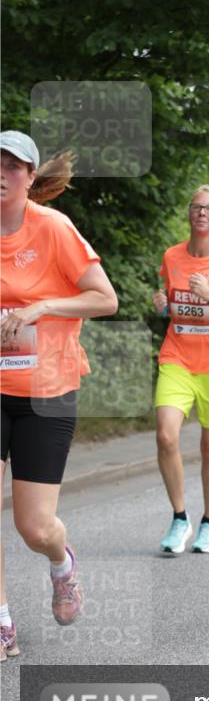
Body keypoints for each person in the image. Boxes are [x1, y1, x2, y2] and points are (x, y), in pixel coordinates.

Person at [0, 130, 118, 661]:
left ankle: (62, 564)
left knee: (34, 525)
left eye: (12, 166)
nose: (2, 174)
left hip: (46, 392)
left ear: (30, 176)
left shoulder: (55, 230)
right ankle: (2, 622)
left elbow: (104, 299)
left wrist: (42, 307)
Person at [152, 185, 209, 555]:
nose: (202, 213)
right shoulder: (172, 256)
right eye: (196, 207)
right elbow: (173, 307)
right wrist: (162, 305)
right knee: (166, 436)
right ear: (189, 214)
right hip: (178, 357)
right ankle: (179, 518)